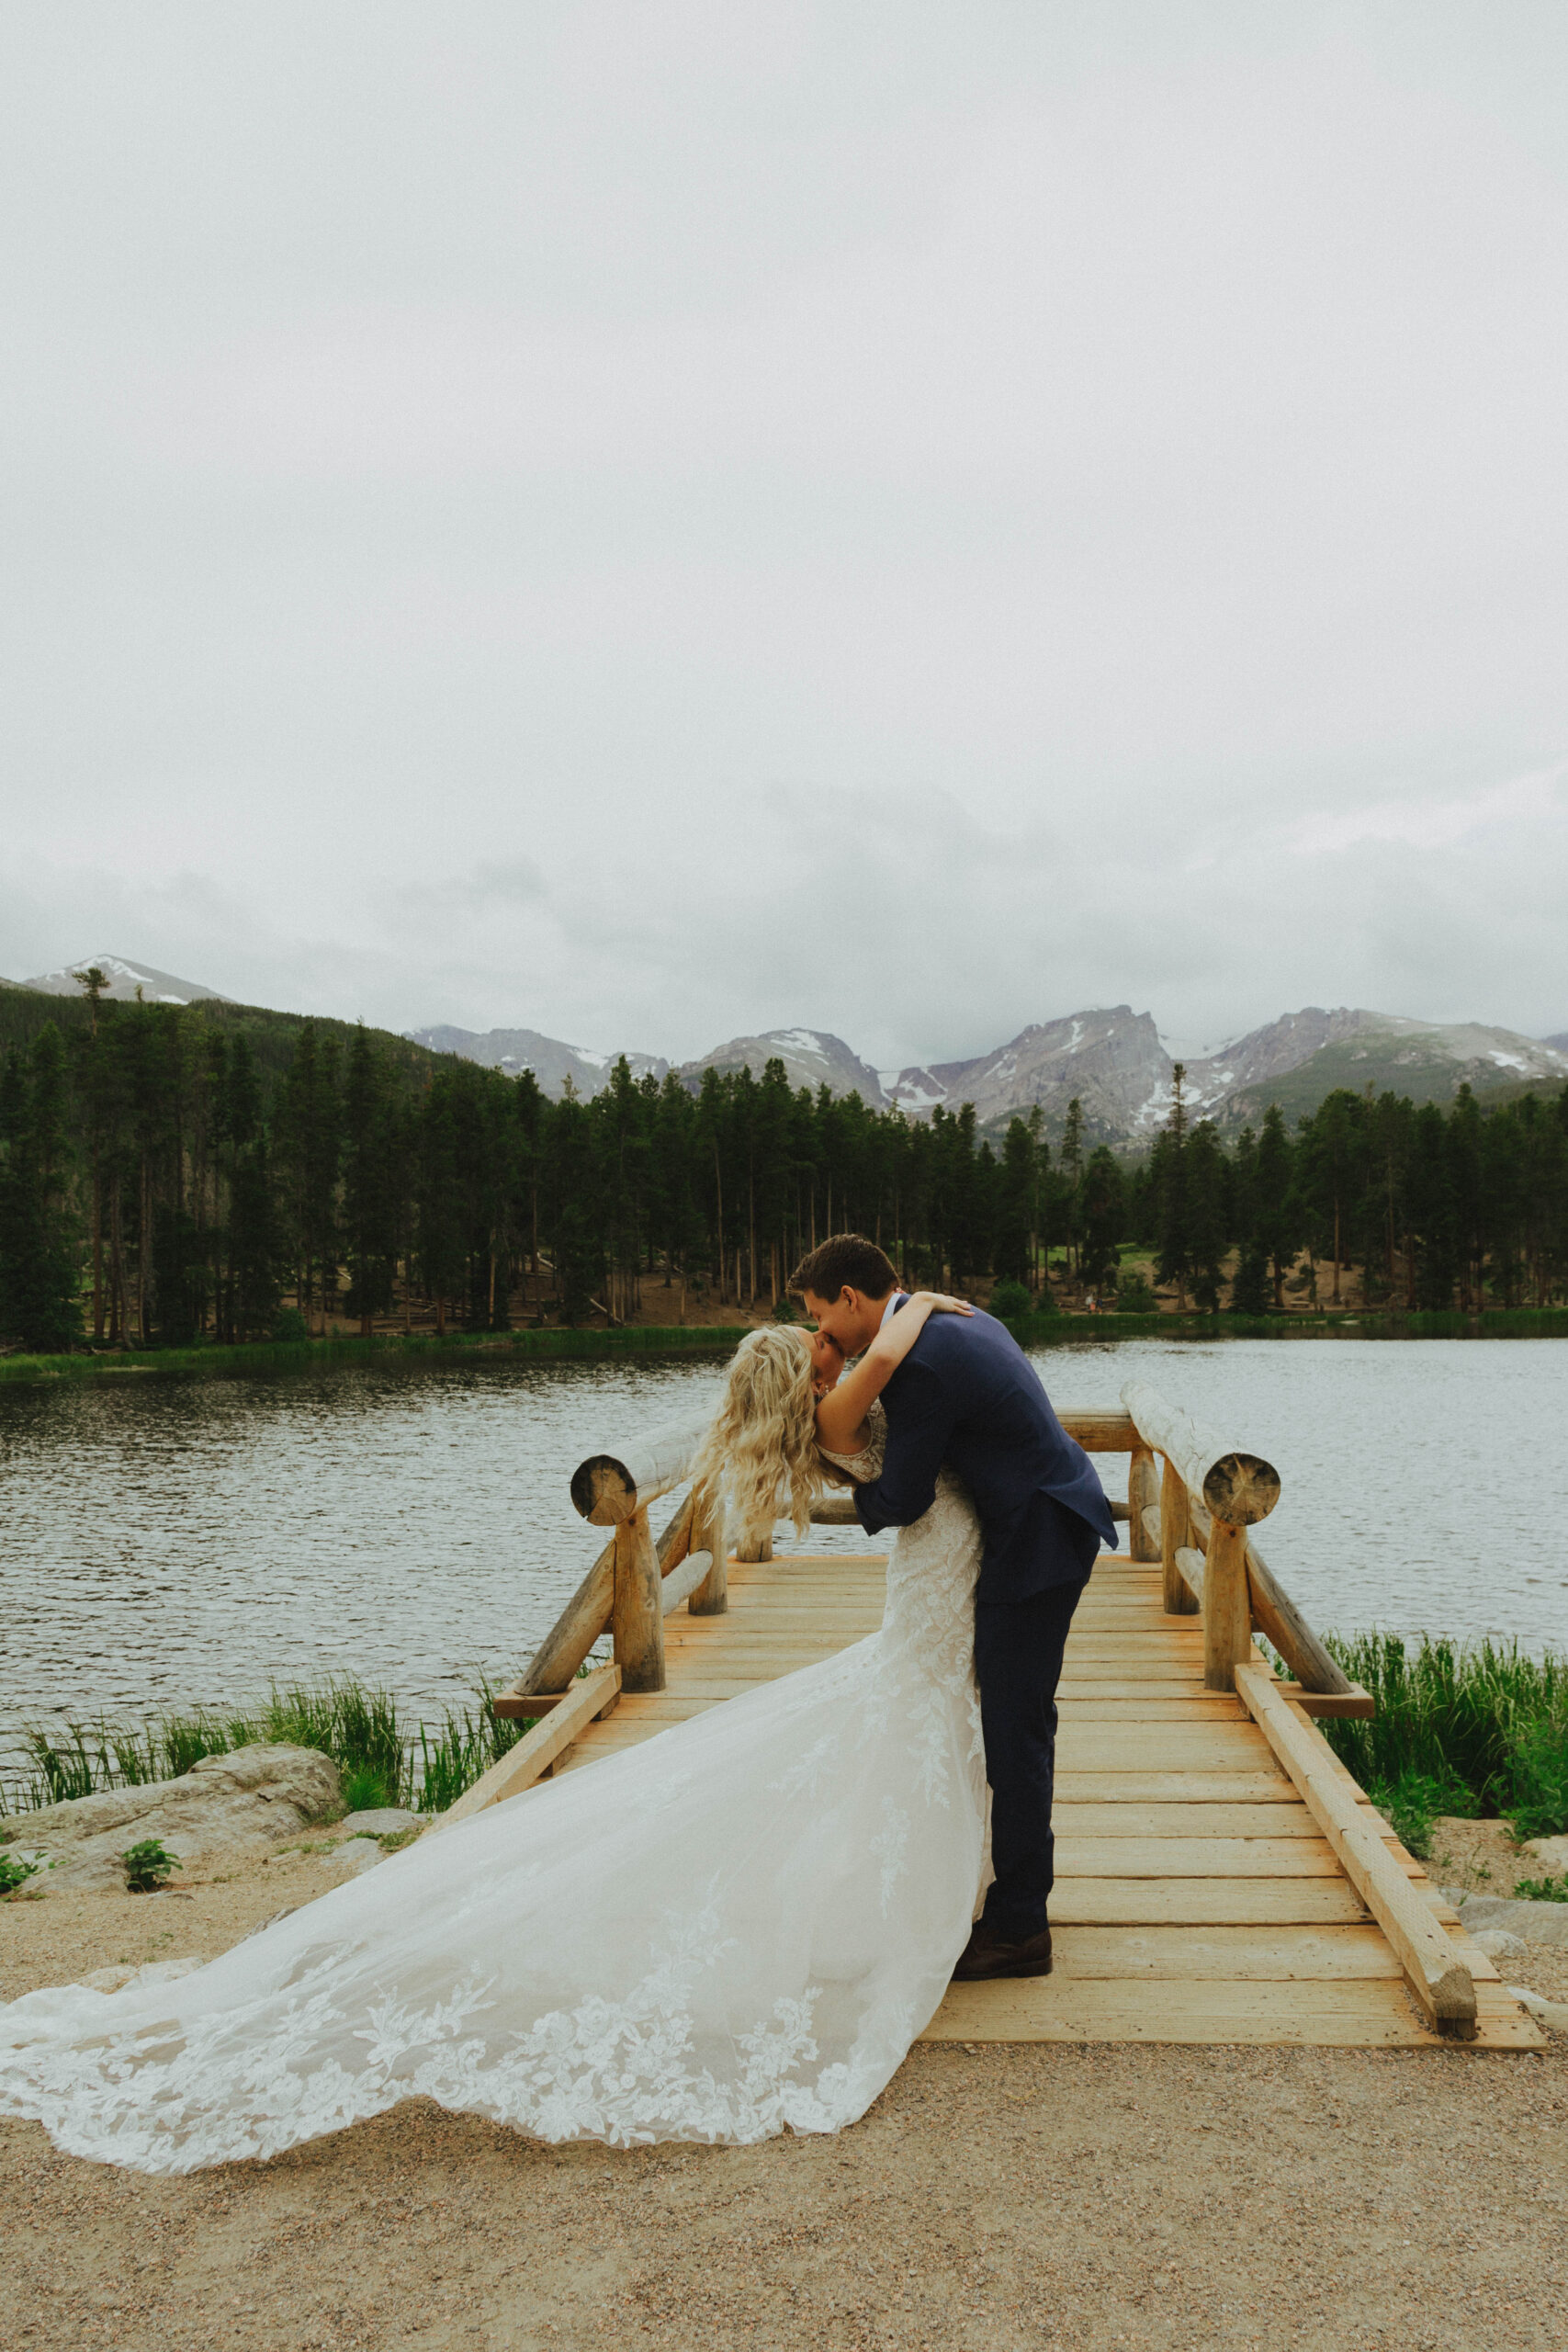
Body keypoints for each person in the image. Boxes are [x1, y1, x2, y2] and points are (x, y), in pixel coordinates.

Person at [0, 1287, 995, 2172]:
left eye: (826, 1333)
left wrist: (905, 1322)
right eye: (814, 1343)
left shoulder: (828, 1412)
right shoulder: (843, 1403)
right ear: (803, 1380)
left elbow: (882, 1385)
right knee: (897, 1716)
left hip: (928, 1586)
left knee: (888, 1718)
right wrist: (911, 1314)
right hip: (937, 1578)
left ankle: (881, 1891)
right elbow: (884, 1364)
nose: (827, 1344)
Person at [795, 1233, 1115, 1981]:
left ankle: (1019, 1927)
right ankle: (1004, 1897)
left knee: (1016, 1729)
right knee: (1019, 1719)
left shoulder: (922, 1365)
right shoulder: (958, 1320)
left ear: (852, 1298)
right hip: (1047, 1515)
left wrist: (855, 1485)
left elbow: (903, 1497)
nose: (822, 1334)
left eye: (820, 1315)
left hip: (1034, 1541)